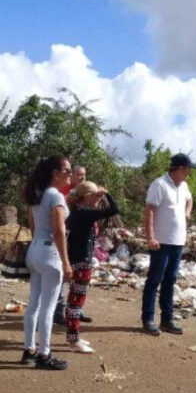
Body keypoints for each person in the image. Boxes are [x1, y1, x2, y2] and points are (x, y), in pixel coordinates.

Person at [20, 156, 72, 370]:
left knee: (34, 303)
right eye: (67, 170)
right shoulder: (56, 196)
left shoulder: (38, 194)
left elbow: (32, 225)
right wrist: (66, 262)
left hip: (35, 249)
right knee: (49, 306)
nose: (70, 174)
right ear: (55, 173)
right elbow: (59, 230)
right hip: (50, 251)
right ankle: (45, 353)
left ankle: (28, 348)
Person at [63, 181, 120, 353]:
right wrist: (107, 194)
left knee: (74, 301)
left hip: (76, 261)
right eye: (95, 196)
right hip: (82, 262)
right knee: (76, 303)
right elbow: (114, 209)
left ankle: (73, 337)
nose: (98, 200)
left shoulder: (76, 212)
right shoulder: (84, 212)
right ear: (87, 197)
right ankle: (73, 340)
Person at [141, 153, 193, 336]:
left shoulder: (184, 186)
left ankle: (167, 320)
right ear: (180, 169)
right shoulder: (159, 184)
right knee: (154, 279)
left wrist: (187, 212)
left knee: (170, 280)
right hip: (161, 242)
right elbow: (149, 211)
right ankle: (148, 319)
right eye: (187, 170)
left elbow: (189, 199)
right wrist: (150, 237)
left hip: (177, 242)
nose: (189, 174)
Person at [54, 164, 91, 325]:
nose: (83, 177)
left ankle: (76, 309)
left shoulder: (87, 192)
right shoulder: (63, 192)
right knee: (64, 274)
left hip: (84, 241)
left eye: (85, 175)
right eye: (80, 175)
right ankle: (59, 310)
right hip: (68, 238)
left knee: (81, 277)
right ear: (73, 176)